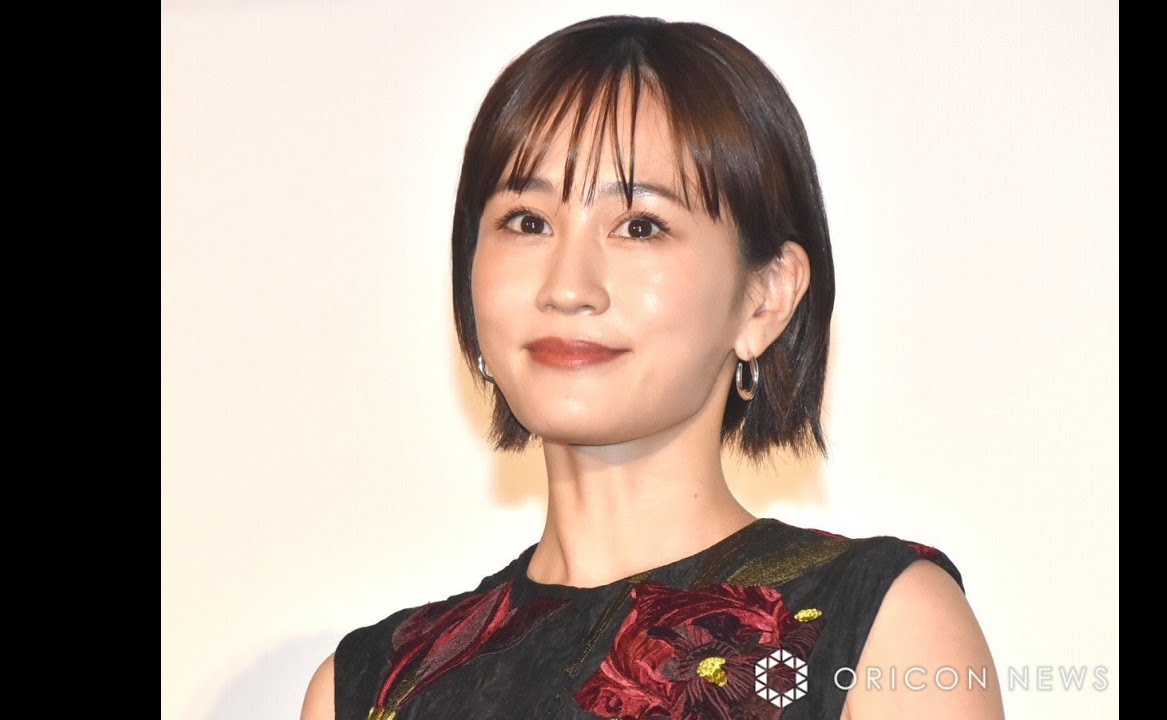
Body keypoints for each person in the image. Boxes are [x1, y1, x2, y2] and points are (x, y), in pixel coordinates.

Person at [301, 14, 1003, 720]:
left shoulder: (881, 630)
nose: (567, 287)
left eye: (640, 227)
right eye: (527, 222)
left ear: (765, 297)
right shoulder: (369, 685)